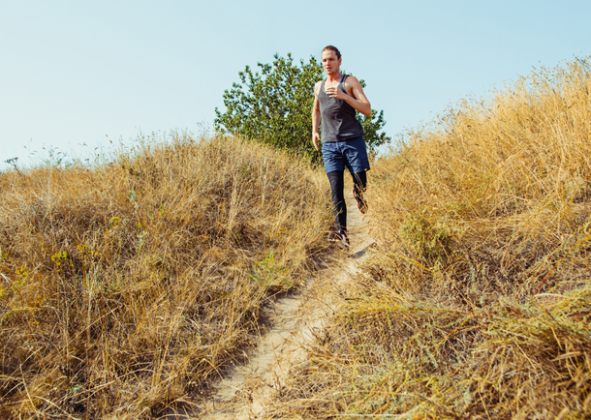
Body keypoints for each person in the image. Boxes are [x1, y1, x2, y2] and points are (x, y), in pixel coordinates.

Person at [312, 45, 371, 247]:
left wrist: (344, 96)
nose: (327, 63)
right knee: (335, 189)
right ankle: (342, 233)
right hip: (330, 145)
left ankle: (359, 195)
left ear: (339, 60)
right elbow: (316, 109)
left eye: (331, 59)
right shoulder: (318, 86)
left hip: (352, 141)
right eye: (324, 60)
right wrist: (314, 130)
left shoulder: (350, 82)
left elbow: (368, 110)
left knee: (361, 183)